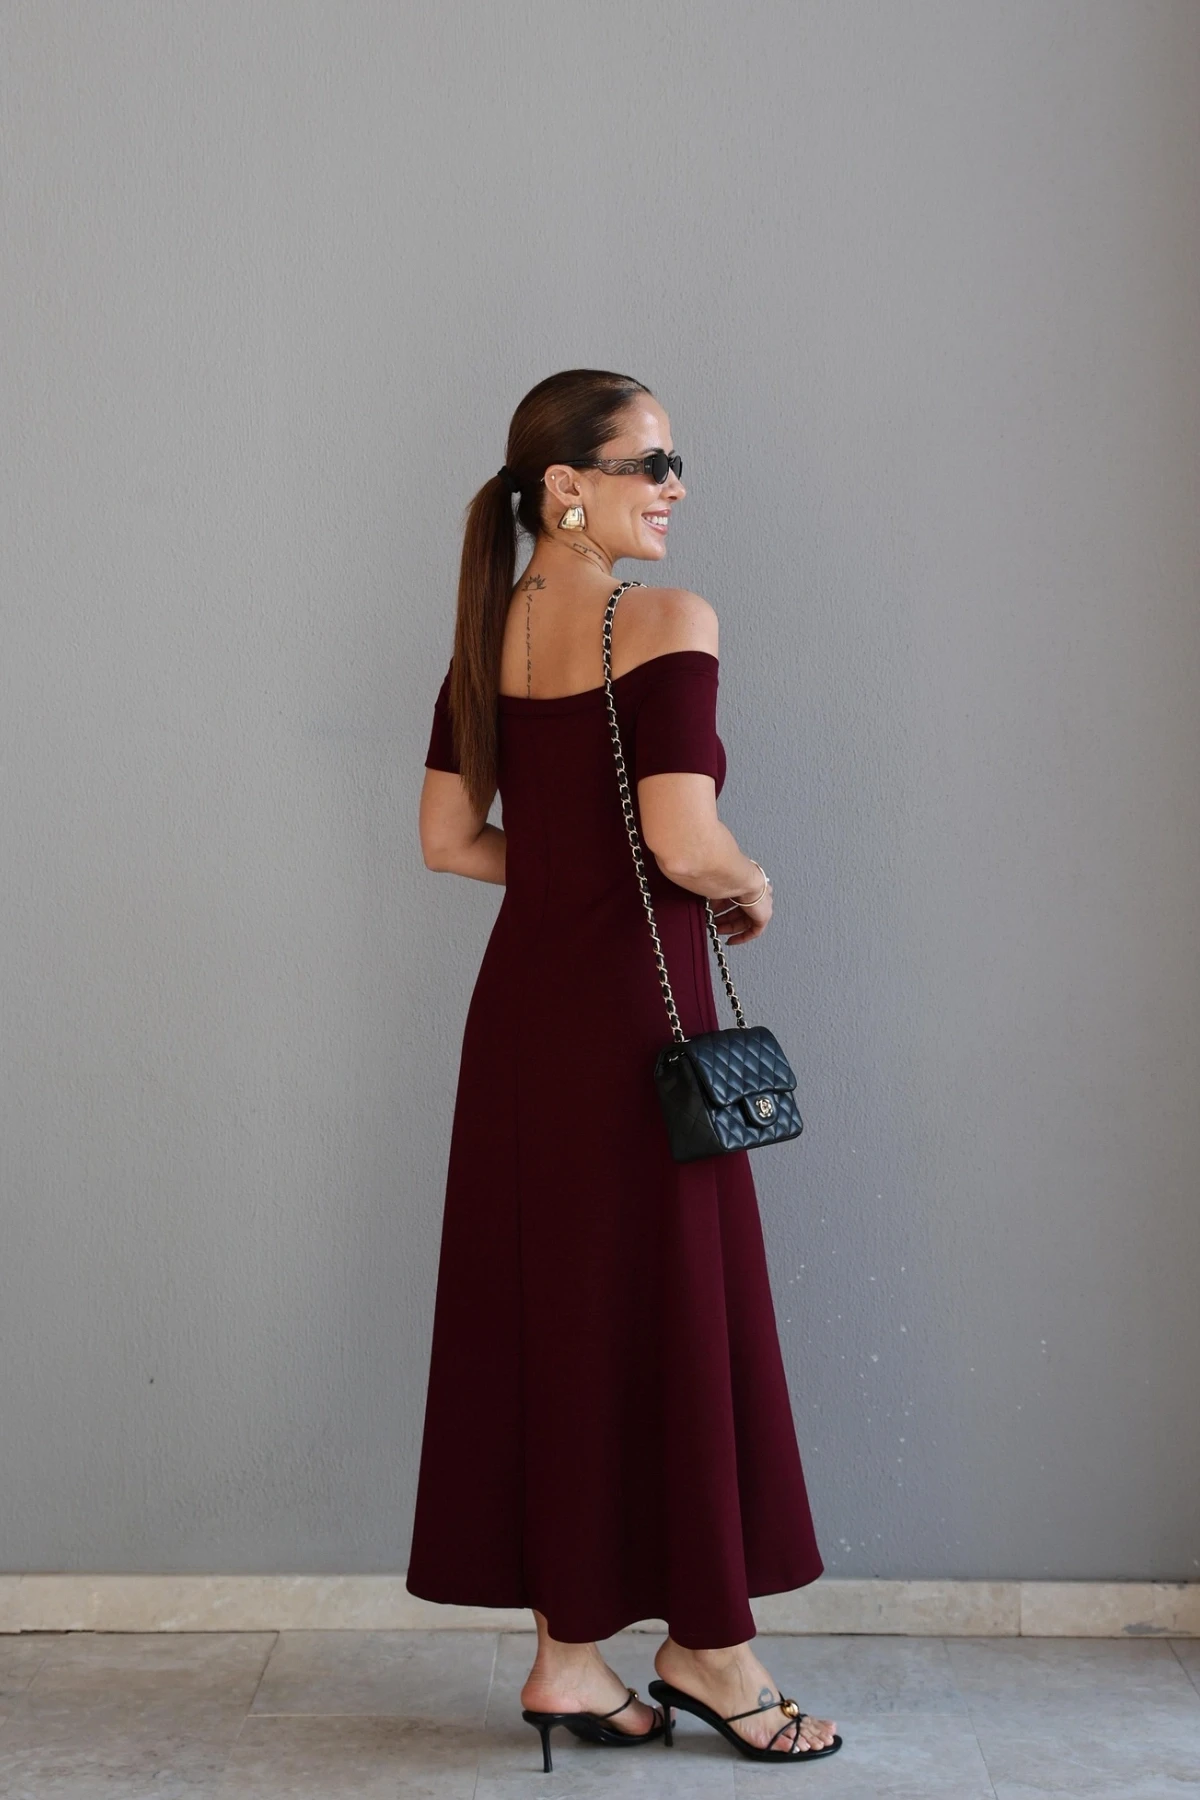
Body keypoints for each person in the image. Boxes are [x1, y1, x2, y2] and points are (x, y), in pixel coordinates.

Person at [408, 368, 842, 1768]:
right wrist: (750, 882)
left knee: (559, 1318)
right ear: (566, 489)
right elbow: (683, 840)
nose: (675, 486)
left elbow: (449, 841)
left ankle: (566, 1662)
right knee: (673, 1312)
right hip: (637, 1030)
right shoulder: (665, 620)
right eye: (651, 462)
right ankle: (710, 1650)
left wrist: (569, 875)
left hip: (522, 1028)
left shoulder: (483, 641)